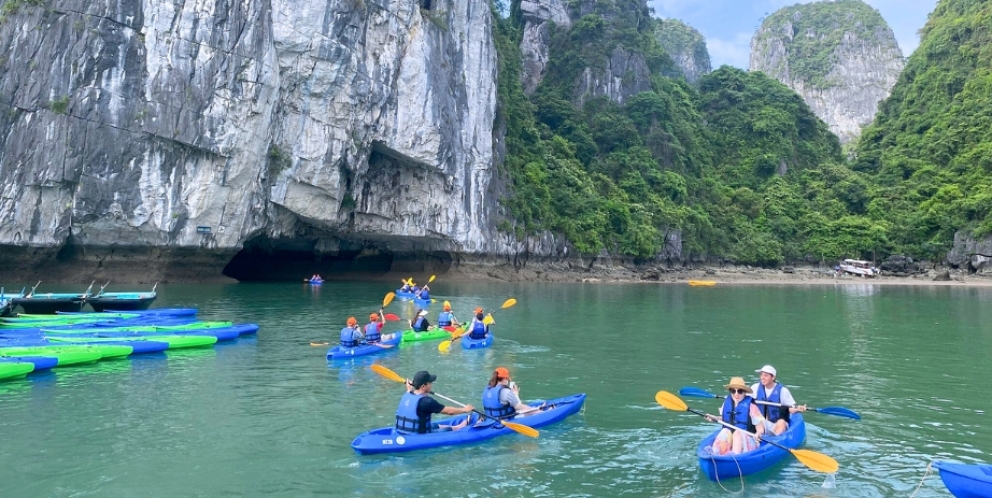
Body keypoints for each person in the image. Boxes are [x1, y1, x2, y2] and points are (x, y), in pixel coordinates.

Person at [395, 370, 473, 434]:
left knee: (434, 425)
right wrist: (465, 410)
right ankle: (458, 427)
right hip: (418, 435)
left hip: (403, 431)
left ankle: (453, 426)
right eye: (430, 383)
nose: (431, 384)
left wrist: (409, 388)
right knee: (446, 430)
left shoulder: (407, 394)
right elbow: (449, 411)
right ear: (423, 386)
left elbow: (409, 390)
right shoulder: (426, 402)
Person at [705, 377, 763, 456]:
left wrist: (758, 433)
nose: (736, 394)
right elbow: (725, 419)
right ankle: (715, 453)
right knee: (725, 431)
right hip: (732, 438)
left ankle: (734, 457)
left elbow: (760, 428)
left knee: (737, 433)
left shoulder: (752, 406)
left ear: (745, 392)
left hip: (748, 440)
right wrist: (714, 418)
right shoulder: (727, 402)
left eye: (740, 391)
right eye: (733, 391)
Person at [750, 365, 807, 436]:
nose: (762, 378)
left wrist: (798, 409)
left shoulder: (783, 391)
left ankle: (774, 439)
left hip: (776, 424)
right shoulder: (755, 387)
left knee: (781, 422)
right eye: (761, 375)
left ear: (773, 377)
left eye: (765, 376)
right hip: (760, 424)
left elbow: (790, 408)